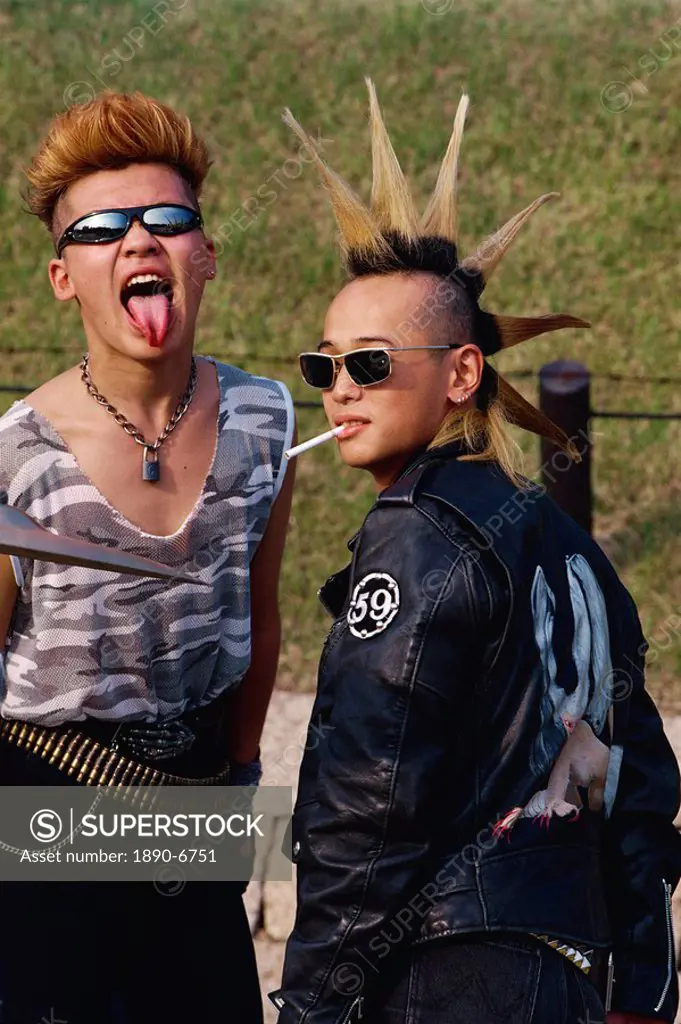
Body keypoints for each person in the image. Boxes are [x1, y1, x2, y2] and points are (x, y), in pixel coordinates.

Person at [269, 81, 681, 1024]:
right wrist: (645, 992)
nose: (339, 389)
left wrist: (310, 1011)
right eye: (322, 365)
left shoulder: (414, 536)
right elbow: (638, 784)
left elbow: (364, 815)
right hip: (567, 982)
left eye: (370, 363)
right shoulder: (572, 550)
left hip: (441, 981)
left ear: (461, 373)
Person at [0, 91, 296, 1023]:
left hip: (195, 799)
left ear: (203, 255)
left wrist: (239, 782)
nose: (138, 242)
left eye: (167, 220)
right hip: (46, 813)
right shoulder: (14, 457)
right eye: (99, 230)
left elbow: (261, 611)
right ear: (62, 277)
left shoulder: (265, 420)